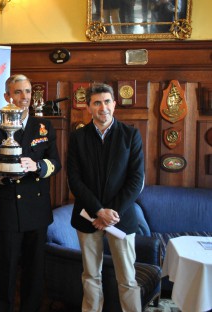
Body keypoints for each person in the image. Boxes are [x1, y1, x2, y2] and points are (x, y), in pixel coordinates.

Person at [0, 74, 62, 311]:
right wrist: (1, 170)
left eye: (28, 92)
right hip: (8, 207)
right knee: (6, 269)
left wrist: (36, 166)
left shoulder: (44, 126)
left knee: (34, 270)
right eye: (18, 92)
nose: (24, 97)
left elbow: (56, 163)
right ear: (7, 96)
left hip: (37, 209)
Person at [67, 83, 145, 312]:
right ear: (89, 107)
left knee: (128, 278)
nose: (103, 107)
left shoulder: (130, 135)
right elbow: (74, 179)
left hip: (121, 219)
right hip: (88, 217)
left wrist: (110, 214)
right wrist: (99, 211)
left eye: (107, 101)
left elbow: (136, 180)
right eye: (97, 103)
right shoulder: (78, 137)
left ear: (115, 104)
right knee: (90, 275)